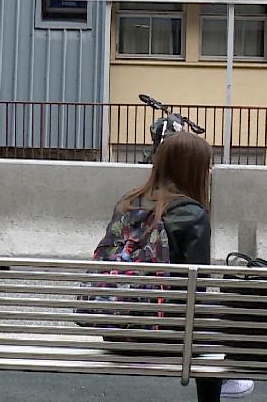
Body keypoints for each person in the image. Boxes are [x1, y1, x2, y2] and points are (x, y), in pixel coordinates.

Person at [106, 132, 227, 402]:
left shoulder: (127, 203)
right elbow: (199, 287)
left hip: (116, 331)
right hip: (164, 337)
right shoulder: (193, 214)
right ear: (192, 168)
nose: (210, 171)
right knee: (219, 328)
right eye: (207, 165)